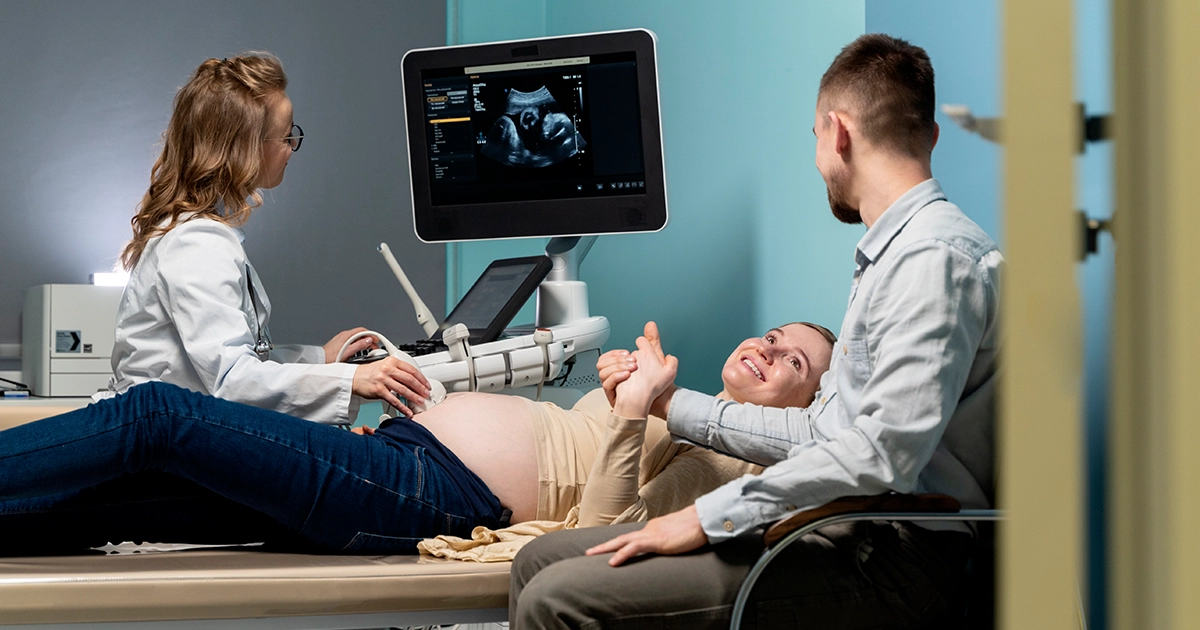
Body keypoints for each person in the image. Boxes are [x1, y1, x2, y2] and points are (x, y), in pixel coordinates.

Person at [509, 33, 1003, 629]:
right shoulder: (894, 257)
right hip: (849, 529)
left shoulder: (934, 261)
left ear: (837, 131)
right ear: (931, 136)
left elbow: (883, 453)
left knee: (556, 597)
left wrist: (706, 517)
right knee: (537, 559)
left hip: (894, 561)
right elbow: (823, 431)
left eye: (816, 138)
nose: (819, 156)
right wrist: (670, 402)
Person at [0, 322, 834, 556]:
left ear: (809, 403)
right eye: (768, 335)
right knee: (110, 505)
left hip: (429, 496)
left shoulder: (732, 463)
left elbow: (599, 539)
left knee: (157, 419)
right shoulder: (681, 404)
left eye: (791, 358)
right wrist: (625, 395)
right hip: (404, 458)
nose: (765, 349)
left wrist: (627, 416)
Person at [108, 52, 428, 425]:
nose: (292, 146)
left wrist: (320, 358)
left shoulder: (198, 233)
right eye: (286, 135)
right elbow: (232, 380)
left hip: (183, 432)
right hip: (168, 446)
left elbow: (237, 362)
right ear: (245, 148)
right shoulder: (195, 244)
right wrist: (352, 379)